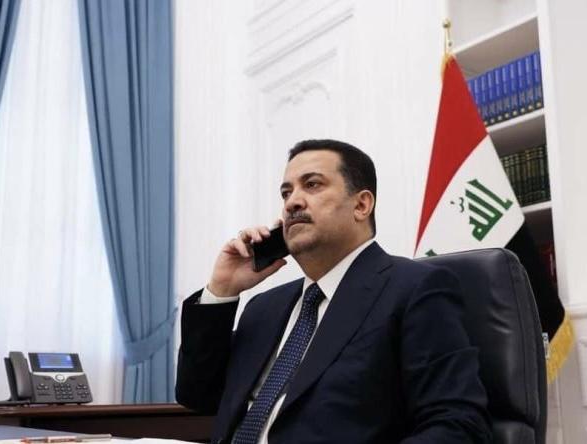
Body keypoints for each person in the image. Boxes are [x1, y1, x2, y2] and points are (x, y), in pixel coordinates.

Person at [175, 139, 492, 443]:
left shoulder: (414, 289)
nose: (292, 202)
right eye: (286, 192)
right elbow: (199, 396)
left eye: (312, 185)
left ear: (361, 205)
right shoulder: (265, 307)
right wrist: (222, 289)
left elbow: (458, 425)